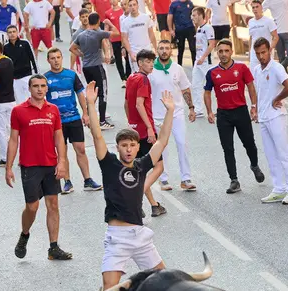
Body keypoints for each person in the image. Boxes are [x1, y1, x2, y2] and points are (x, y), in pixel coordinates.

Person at [85, 79, 175, 291]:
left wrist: (170, 111)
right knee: (109, 288)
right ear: (118, 147)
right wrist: (90, 103)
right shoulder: (109, 164)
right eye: (123, 145)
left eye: (132, 146)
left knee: (169, 285)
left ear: (137, 148)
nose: (127, 149)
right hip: (117, 239)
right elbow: (98, 137)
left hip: (141, 237)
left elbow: (161, 141)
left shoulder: (141, 164)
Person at [5, 75, 72, 261]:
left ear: (47, 89)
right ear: (29, 88)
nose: (40, 89)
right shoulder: (19, 111)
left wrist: (62, 161)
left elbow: (59, 137)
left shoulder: (54, 110)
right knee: (32, 207)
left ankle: (53, 247)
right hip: (30, 166)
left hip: (50, 164)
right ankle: (25, 234)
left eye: (43, 86)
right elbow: (13, 140)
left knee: (53, 204)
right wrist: (8, 167)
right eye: (36, 86)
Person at [203, 39, 265, 194]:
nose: (223, 54)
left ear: (231, 52)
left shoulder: (241, 68)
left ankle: (254, 165)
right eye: (220, 51)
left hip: (241, 111)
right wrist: (209, 111)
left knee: (249, 143)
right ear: (217, 53)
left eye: (226, 51)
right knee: (227, 148)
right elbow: (207, 92)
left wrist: (253, 107)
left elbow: (251, 86)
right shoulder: (212, 73)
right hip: (224, 115)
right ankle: (234, 180)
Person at [44, 47, 103, 193]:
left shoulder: (71, 75)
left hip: (74, 118)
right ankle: (67, 181)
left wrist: (85, 113)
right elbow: (41, 99)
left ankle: (88, 180)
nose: (56, 61)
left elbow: (80, 94)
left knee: (81, 149)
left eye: (58, 57)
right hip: (56, 123)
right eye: (53, 58)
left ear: (61, 58)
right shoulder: (45, 78)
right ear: (48, 60)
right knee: (61, 152)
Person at [251, 38, 288, 204]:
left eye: (263, 52)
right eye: (258, 53)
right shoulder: (257, 70)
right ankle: (279, 188)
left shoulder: (277, 68)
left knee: (283, 153)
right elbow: (258, 91)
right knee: (271, 155)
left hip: (277, 116)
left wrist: (277, 98)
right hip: (263, 118)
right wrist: (254, 108)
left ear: (269, 50)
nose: (261, 56)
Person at [148, 40, 195, 191]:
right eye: (161, 48)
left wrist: (191, 107)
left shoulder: (177, 69)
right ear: (157, 50)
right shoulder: (150, 71)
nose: (164, 51)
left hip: (177, 113)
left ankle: (186, 178)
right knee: (163, 147)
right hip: (158, 116)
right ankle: (163, 179)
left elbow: (185, 89)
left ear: (171, 51)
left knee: (182, 143)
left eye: (167, 48)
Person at [125, 49, 167, 216]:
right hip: (144, 132)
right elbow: (138, 104)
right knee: (159, 166)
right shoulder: (143, 80)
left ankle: (154, 205)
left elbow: (126, 103)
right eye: (147, 62)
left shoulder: (130, 77)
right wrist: (149, 127)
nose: (151, 65)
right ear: (140, 63)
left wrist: (131, 123)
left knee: (140, 170)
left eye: (151, 61)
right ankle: (137, 195)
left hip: (134, 129)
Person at [71, 12, 119, 129]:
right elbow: (117, 34)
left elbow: (71, 48)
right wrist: (109, 23)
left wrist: (82, 55)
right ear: (98, 22)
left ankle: (89, 115)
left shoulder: (81, 35)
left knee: (92, 92)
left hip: (86, 67)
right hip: (97, 66)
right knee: (103, 93)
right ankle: (102, 121)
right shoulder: (98, 34)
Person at [5, 25, 39, 103]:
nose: (12, 34)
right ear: (7, 34)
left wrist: (37, 74)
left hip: (27, 76)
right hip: (15, 80)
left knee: (32, 99)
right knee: (20, 102)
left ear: (17, 32)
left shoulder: (25, 43)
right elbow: (6, 65)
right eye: (10, 32)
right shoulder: (5, 47)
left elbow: (33, 58)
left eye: (14, 31)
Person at [190, 6, 214, 118]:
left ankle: (219, 107)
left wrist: (203, 57)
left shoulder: (208, 28)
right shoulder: (198, 28)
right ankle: (198, 110)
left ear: (200, 15)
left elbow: (212, 44)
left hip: (205, 62)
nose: (192, 17)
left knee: (212, 85)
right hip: (197, 61)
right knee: (195, 85)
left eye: (194, 15)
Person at [121, 0, 156, 73]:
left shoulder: (146, 17)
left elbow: (151, 34)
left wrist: (155, 49)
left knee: (151, 74)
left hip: (147, 50)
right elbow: (125, 39)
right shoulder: (125, 22)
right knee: (138, 76)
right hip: (135, 53)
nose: (133, 7)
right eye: (130, 5)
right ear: (128, 7)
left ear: (138, 5)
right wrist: (130, 53)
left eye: (134, 5)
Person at [261, 0, 288, 69]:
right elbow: (260, 11)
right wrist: (268, 23)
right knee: (281, 57)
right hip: (277, 33)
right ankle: (284, 78)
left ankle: (278, 70)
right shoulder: (268, 1)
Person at [104, 0, 130, 85]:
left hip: (125, 38)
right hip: (115, 39)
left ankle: (128, 76)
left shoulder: (124, 11)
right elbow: (106, 28)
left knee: (127, 58)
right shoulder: (108, 13)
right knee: (118, 59)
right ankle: (123, 79)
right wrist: (106, 39)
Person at [247, 0, 278, 68]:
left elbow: (275, 37)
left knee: (267, 73)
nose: (255, 9)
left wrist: (270, 49)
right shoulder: (250, 22)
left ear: (261, 8)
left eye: (257, 7)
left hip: (265, 52)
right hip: (254, 53)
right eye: (253, 7)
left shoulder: (269, 21)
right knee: (254, 74)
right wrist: (249, 53)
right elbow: (251, 38)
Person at [167, 0, 195, 65]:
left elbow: (194, 16)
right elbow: (170, 17)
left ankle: (195, 67)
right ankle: (179, 67)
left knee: (193, 49)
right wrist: (171, 29)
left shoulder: (190, 3)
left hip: (190, 29)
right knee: (180, 50)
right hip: (179, 30)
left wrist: (196, 28)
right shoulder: (174, 4)